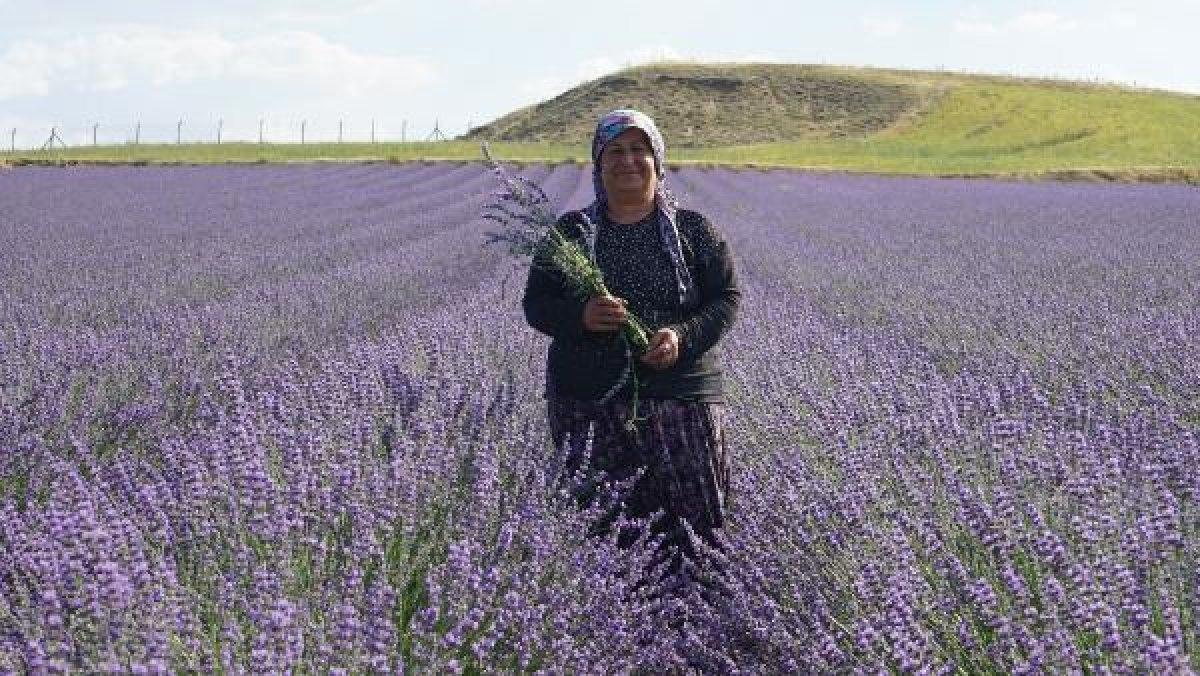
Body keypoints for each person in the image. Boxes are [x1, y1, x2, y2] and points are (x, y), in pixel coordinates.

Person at [522, 108, 741, 578]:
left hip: (682, 400)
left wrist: (682, 337)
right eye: (615, 151)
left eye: (639, 149)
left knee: (700, 535)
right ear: (598, 165)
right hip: (587, 403)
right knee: (603, 533)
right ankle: (616, 645)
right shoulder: (571, 234)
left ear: (657, 160)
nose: (628, 160)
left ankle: (705, 635)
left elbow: (725, 299)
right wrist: (580, 316)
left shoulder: (695, 231)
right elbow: (536, 305)